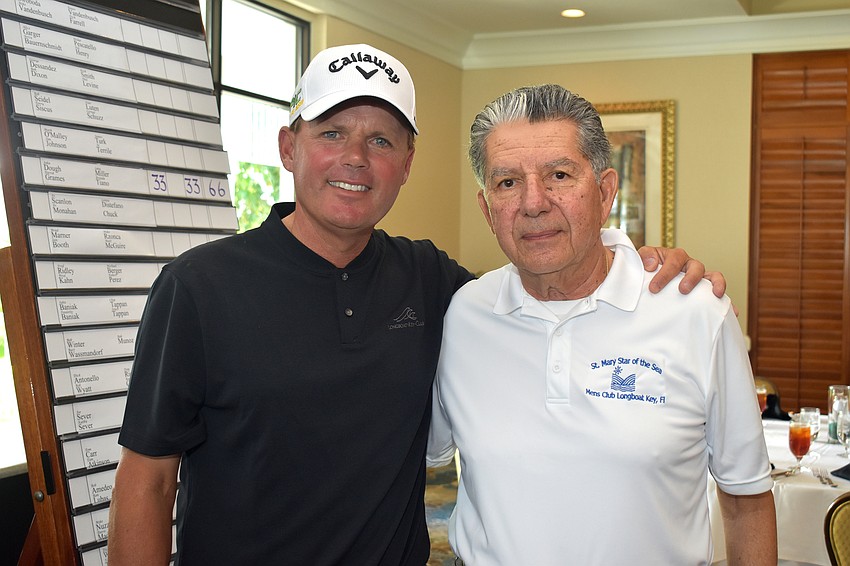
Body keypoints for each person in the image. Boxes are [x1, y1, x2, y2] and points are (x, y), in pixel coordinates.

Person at [107, 45, 720, 565]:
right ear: (288, 148)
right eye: (331, 134)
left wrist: (638, 265)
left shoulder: (432, 281)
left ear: (406, 165)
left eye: (381, 140)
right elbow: (147, 481)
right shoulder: (199, 285)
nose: (355, 159)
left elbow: (548, 283)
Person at [427, 84, 776, 565]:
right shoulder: (464, 314)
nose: (533, 202)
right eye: (507, 182)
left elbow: (747, 499)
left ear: (605, 191)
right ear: (488, 209)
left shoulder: (695, 311)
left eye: (560, 175)